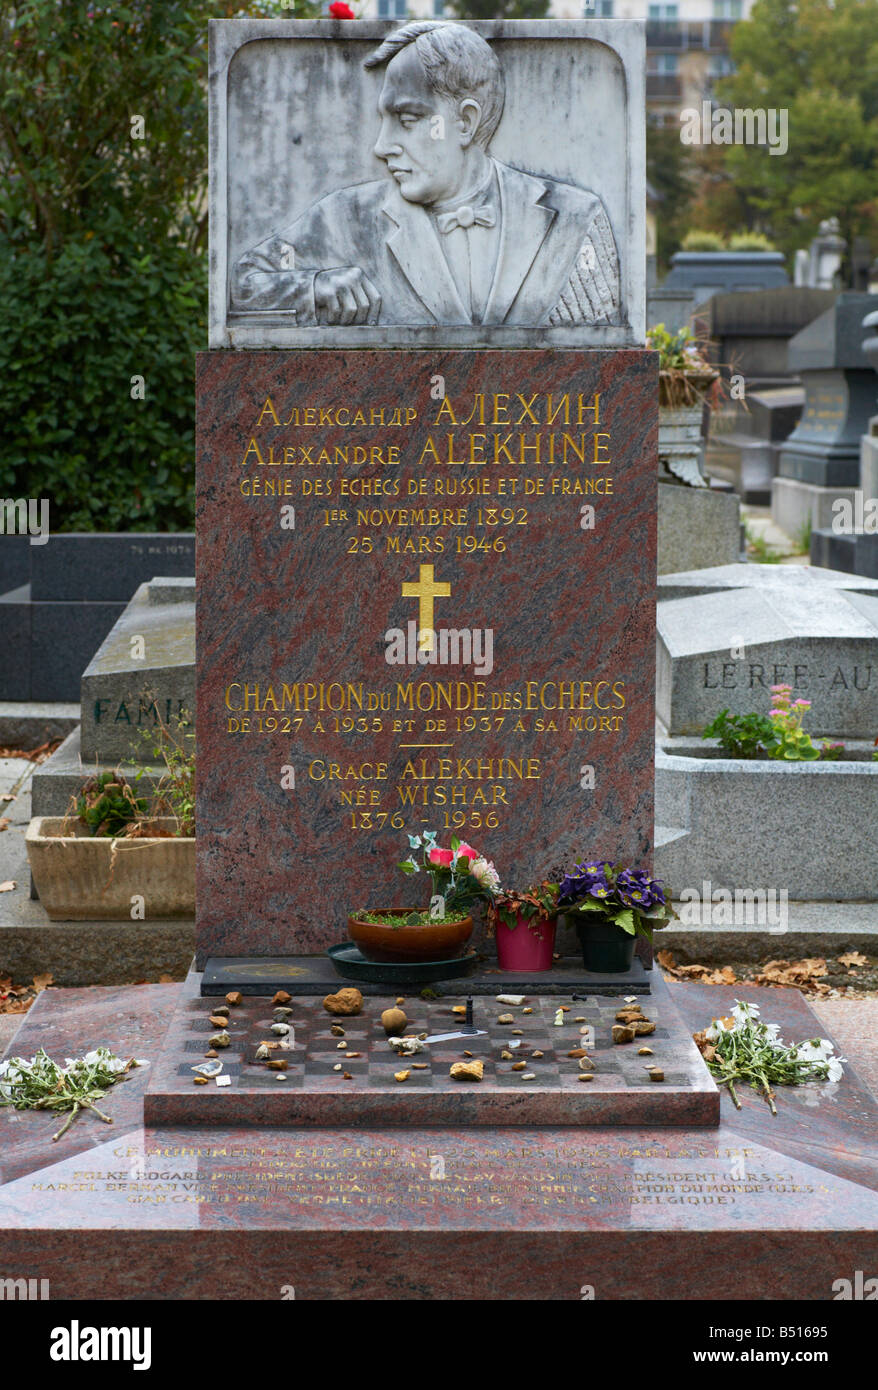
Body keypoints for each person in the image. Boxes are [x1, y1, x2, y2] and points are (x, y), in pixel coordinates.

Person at [231, 20, 621, 328]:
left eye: (407, 119)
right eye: (385, 120)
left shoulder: (575, 220)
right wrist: (313, 287)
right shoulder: (346, 218)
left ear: (465, 122)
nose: (381, 147)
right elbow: (243, 284)